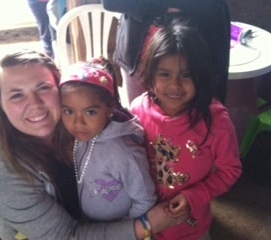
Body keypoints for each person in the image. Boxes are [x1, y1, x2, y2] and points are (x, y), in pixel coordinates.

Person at [0, 49, 186, 240]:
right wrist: (146, 226)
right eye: (17, 95)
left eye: (43, 88)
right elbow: (65, 236)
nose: (35, 104)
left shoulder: (76, 118)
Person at [130, 19, 242, 240]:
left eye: (186, 75)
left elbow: (230, 170)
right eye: (164, 74)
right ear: (150, 74)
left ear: (201, 75)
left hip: (191, 226)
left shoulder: (216, 121)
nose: (175, 85)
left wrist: (194, 197)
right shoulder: (137, 110)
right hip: (143, 220)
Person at [59, 57, 156, 222]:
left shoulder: (122, 152)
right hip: (91, 221)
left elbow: (145, 199)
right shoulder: (78, 135)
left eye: (90, 112)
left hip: (119, 227)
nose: (78, 123)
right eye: (68, 111)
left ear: (110, 107)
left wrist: (125, 230)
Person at [102, 0, 231, 105]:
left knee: (195, 124)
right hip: (139, 56)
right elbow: (112, 2)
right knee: (142, 123)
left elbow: (210, 5)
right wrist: (162, 6)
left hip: (196, 55)